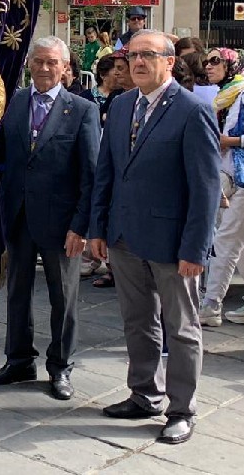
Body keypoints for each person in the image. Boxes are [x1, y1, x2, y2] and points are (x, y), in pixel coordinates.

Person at [89, 30, 221, 446]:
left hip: (173, 241)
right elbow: (106, 172)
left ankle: (182, 409)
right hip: (125, 235)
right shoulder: (122, 104)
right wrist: (98, 227)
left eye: (148, 55)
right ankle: (144, 393)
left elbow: (206, 187)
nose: (138, 62)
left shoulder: (191, 109)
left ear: (169, 61)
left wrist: (196, 248)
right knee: (137, 320)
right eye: (132, 56)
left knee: (181, 327)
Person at [0, 37, 100, 401]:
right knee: (17, 291)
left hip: (61, 222)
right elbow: (2, 156)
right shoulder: (16, 101)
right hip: (19, 216)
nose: (43, 68)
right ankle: (19, 359)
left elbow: (91, 173)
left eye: (52, 62)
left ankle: (61, 366)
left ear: (65, 67)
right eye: (37, 61)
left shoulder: (81, 110)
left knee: (63, 297)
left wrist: (80, 226)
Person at [198, 48, 244, 327]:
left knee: (226, 239)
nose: (209, 65)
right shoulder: (225, 96)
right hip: (233, 178)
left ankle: (210, 305)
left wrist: (231, 141)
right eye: (207, 61)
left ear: (231, 65)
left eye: (216, 61)